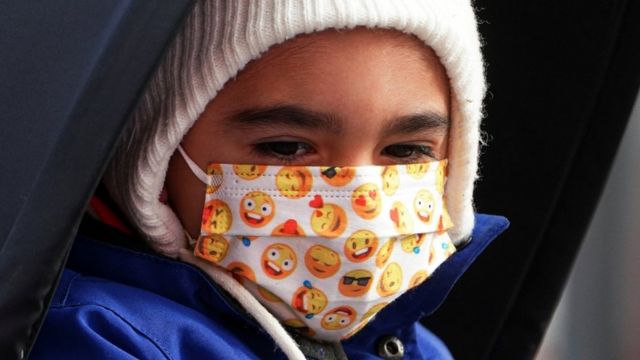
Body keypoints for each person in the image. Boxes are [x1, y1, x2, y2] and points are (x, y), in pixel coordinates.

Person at [31, 1, 509, 359]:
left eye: (406, 152)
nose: (361, 200)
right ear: (155, 155)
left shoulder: (411, 345)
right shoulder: (98, 338)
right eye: (286, 148)